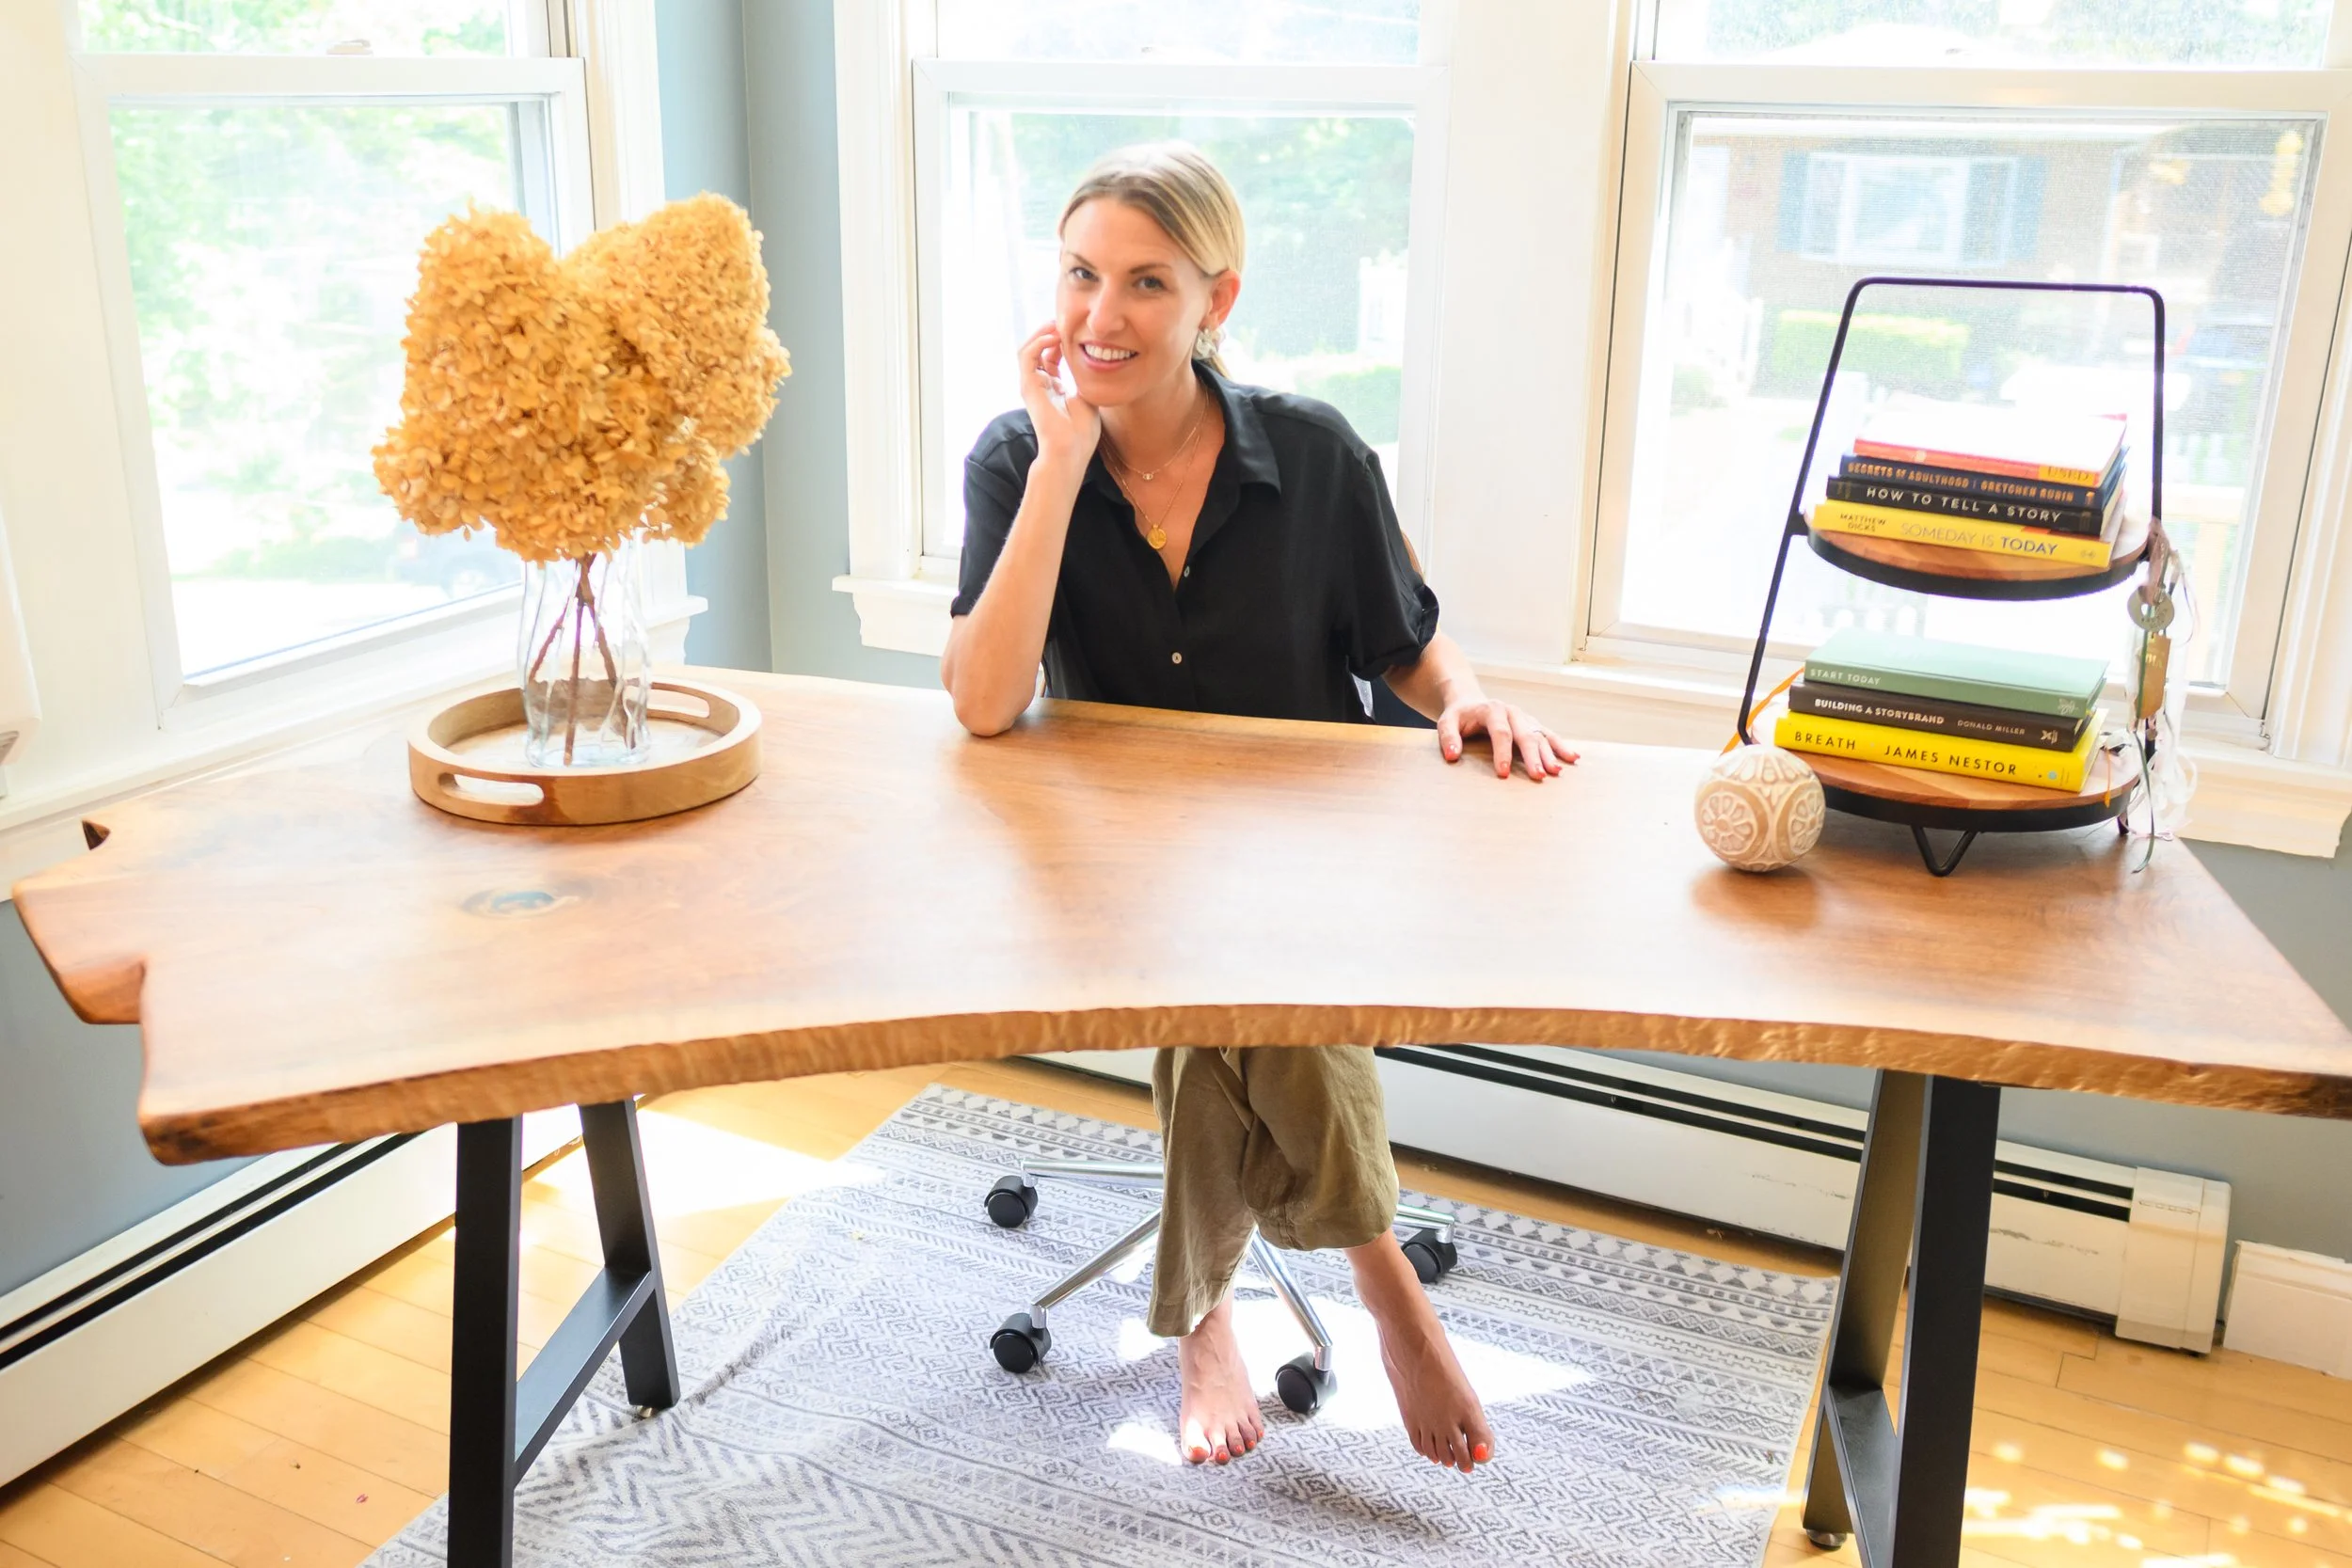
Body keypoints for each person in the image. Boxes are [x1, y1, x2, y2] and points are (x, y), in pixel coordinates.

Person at [941, 142, 1577, 1476]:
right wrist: (1061, 463)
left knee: (1238, 982)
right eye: (1080, 274)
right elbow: (986, 701)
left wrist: (1470, 699)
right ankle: (1385, 1286)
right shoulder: (1015, 458)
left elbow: (1406, 642)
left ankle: (1202, 1318)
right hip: (1109, 868)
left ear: (1215, 300)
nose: (1101, 313)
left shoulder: (1315, 451)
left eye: (1147, 282)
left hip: (1311, 860)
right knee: (1220, 973)